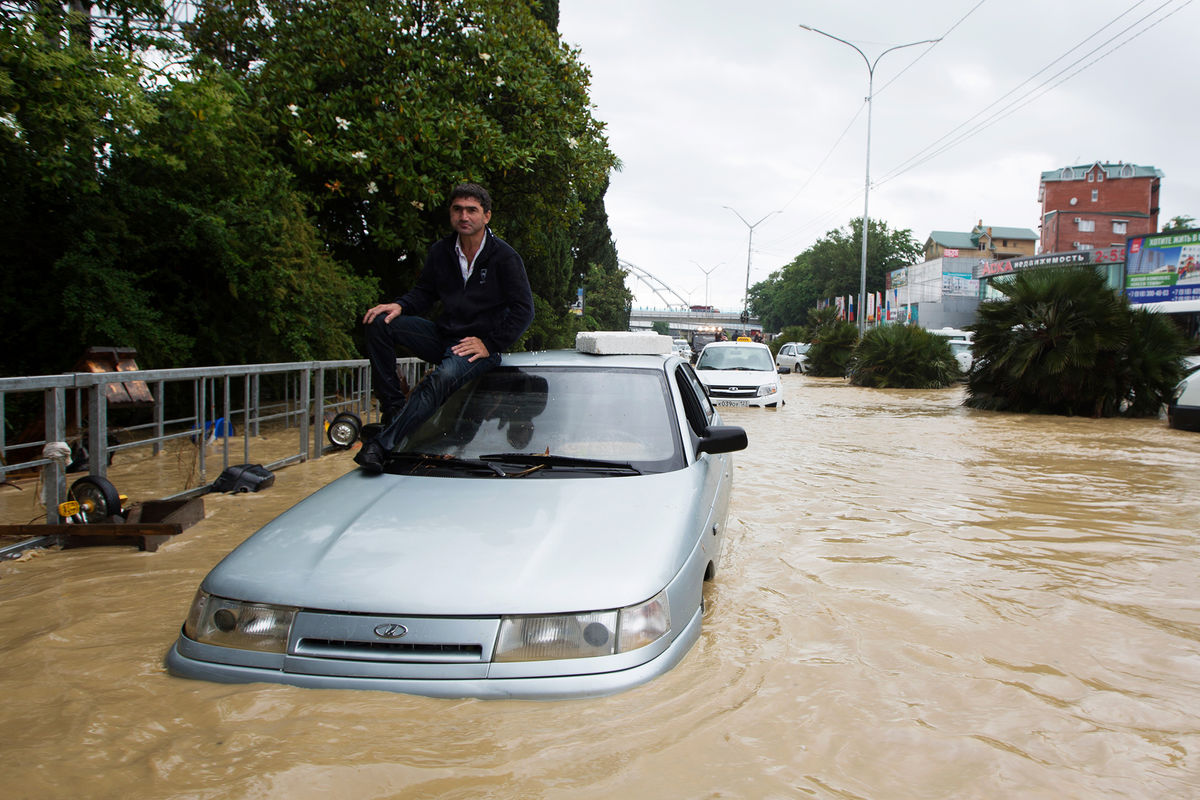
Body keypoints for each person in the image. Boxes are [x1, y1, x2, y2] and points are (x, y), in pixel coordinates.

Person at [355, 183, 535, 473]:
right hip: (442, 335)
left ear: (486, 216)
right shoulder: (441, 251)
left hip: (477, 347)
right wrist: (400, 305)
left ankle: (381, 445)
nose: (464, 216)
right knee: (380, 322)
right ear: (451, 213)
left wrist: (490, 343)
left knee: (439, 379)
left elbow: (524, 310)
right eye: (458, 209)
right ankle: (394, 410)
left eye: (472, 210)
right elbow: (425, 292)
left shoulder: (505, 257)